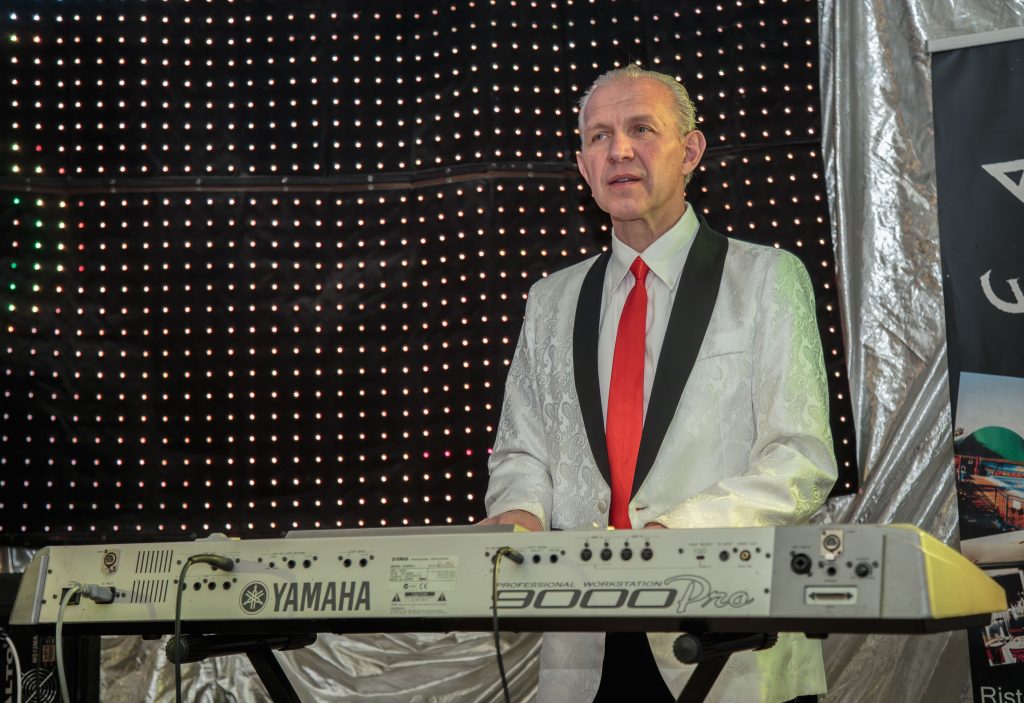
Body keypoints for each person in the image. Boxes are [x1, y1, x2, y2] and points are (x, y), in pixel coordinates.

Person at [480, 65, 837, 702]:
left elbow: (801, 460)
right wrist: (520, 514)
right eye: (599, 136)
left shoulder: (766, 278)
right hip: (586, 645)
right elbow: (522, 451)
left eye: (641, 129)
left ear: (690, 151)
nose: (618, 150)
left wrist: (672, 537)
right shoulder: (551, 300)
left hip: (725, 643)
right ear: (583, 167)